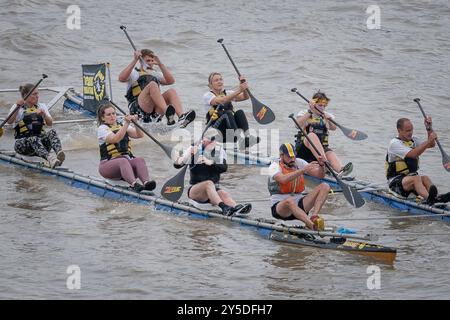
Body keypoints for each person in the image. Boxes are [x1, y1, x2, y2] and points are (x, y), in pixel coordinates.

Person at [174, 128, 251, 216]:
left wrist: (211, 162)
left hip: (212, 190)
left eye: (214, 141)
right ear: (204, 140)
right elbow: (177, 165)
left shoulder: (220, 151)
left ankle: (237, 209)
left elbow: (224, 168)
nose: (212, 143)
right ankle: (224, 207)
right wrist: (187, 156)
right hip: (195, 191)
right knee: (208, 183)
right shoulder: (193, 148)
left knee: (223, 193)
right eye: (209, 141)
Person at [386, 117, 449, 204]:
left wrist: (429, 128)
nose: (410, 133)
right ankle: (431, 200)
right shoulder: (394, 143)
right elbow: (413, 154)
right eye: (407, 131)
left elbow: (431, 144)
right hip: (395, 183)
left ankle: (436, 198)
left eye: (411, 130)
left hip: (409, 180)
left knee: (425, 178)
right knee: (416, 179)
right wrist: (429, 140)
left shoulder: (413, 140)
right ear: (399, 130)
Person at [268, 143, 330, 230]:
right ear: (281, 156)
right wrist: (303, 170)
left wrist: (321, 165)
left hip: (300, 204)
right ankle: (312, 226)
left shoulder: (299, 162)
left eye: (293, 156)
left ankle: (314, 217)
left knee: (325, 186)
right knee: (289, 201)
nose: (292, 159)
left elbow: (320, 176)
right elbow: (283, 179)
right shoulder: (274, 166)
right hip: (281, 208)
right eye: (289, 157)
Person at [118, 49, 190, 124]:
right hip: (138, 108)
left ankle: (181, 117)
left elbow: (171, 81)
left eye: (152, 61)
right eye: (148, 61)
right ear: (141, 60)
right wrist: (135, 60)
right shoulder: (134, 73)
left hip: (155, 111)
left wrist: (160, 64)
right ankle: (168, 113)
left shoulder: (155, 74)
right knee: (152, 84)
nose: (151, 63)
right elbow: (121, 78)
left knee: (171, 91)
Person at [97, 103, 156, 193]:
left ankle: (146, 183)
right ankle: (134, 185)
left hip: (125, 166)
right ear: (102, 118)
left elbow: (139, 135)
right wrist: (127, 123)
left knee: (139, 160)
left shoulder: (122, 125)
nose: (112, 116)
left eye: (114, 113)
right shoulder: (102, 129)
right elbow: (115, 139)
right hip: (107, 167)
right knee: (123, 160)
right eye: (108, 115)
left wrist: (135, 122)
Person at [294, 91, 352, 178]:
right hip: (304, 151)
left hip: (320, 153)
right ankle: (325, 164)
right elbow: (296, 125)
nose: (322, 108)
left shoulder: (327, 116)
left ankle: (340, 170)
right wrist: (311, 111)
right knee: (311, 135)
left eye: (324, 106)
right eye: (320, 105)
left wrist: (328, 120)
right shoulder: (304, 113)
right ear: (313, 104)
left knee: (329, 152)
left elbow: (334, 128)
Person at [7, 84, 65, 168]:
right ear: (25, 96)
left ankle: (59, 154)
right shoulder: (17, 107)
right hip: (23, 145)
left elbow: (50, 123)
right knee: (34, 138)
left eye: (38, 94)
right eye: (34, 94)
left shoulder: (42, 106)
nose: (37, 96)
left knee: (52, 132)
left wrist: (44, 115)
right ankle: (50, 159)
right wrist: (17, 107)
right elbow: (9, 121)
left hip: (40, 144)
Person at [203, 72, 260, 149]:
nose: (219, 81)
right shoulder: (208, 95)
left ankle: (247, 138)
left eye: (220, 79)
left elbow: (245, 97)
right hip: (217, 132)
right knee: (228, 113)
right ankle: (240, 140)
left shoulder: (228, 93)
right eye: (216, 80)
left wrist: (244, 87)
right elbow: (222, 100)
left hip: (230, 132)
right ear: (210, 85)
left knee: (239, 112)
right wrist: (240, 89)